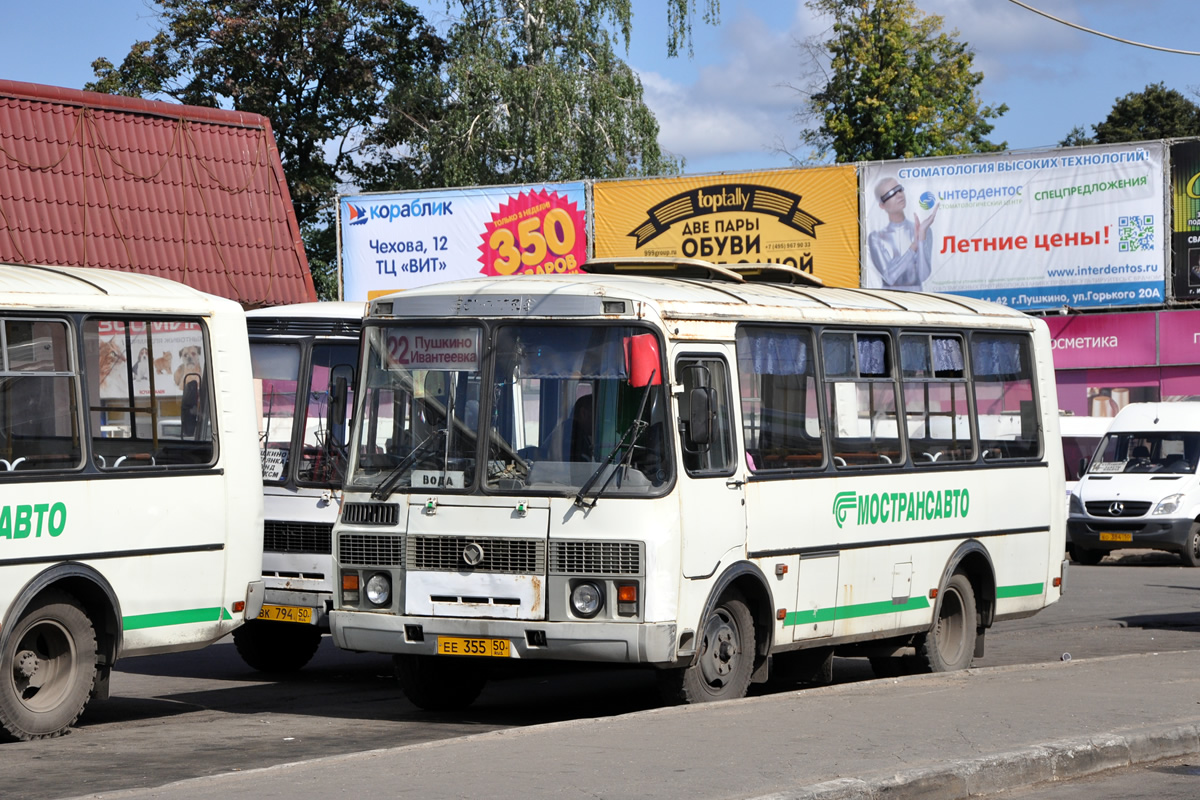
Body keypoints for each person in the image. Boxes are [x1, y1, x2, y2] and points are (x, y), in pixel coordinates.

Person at [866, 177, 936, 292]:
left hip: (918, 300)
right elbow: (889, 277)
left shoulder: (923, 230)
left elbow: (923, 275)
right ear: (882, 205)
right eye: (891, 194)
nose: (899, 195)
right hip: (891, 302)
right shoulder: (876, 238)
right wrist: (914, 246)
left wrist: (921, 239)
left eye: (899, 189)